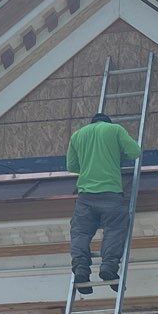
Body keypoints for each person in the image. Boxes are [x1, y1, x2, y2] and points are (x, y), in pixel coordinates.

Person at [65, 112, 140, 294]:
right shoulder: (114, 130)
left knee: (80, 232)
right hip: (111, 194)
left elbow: (71, 166)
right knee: (114, 230)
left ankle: (81, 267)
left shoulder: (78, 134)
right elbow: (134, 152)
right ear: (107, 122)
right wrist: (115, 156)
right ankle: (108, 266)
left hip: (85, 197)